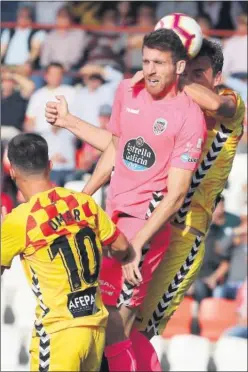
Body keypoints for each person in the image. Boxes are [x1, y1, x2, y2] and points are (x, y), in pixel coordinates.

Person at [46, 37, 245, 364]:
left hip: (184, 233)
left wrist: (166, 77)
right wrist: (70, 122)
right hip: (144, 219)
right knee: (113, 324)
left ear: (217, 77)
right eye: (188, 72)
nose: (193, 80)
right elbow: (124, 148)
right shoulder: (169, 106)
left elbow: (214, 106)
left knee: (134, 329)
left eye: (200, 73)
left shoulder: (228, 103)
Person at [1, 133, 135, 372]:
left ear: (12, 171)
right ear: (50, 165)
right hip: (94, 331)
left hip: (58, 334)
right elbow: (122, 246)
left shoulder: (20, 220)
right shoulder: (83, 202)